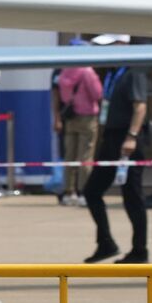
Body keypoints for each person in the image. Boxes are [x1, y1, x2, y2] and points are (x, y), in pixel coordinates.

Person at [83, 65, 150, 263]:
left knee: (132, 196)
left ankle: (140, 250)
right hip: (111, 138)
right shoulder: (112, 75)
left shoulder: (133, 73)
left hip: (126, 138)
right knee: (92, 191)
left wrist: (132, 136)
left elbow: (140, 106)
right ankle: (105, 243)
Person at [53, 63, 102, 207]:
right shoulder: (87, 71)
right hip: (87, 118)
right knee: (85, 156)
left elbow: (61, 95)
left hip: (70, 117)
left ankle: (69, 192)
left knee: (70, 156)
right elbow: (97, 93)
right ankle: (84, 192)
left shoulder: (64, 71)